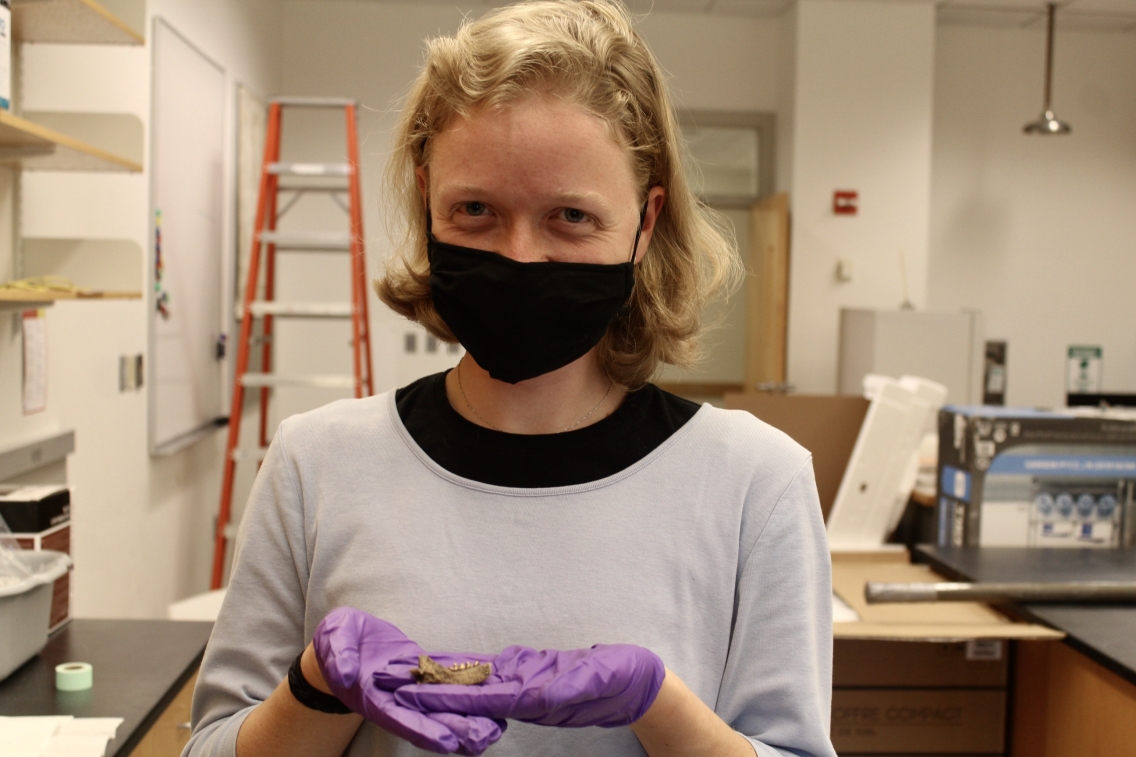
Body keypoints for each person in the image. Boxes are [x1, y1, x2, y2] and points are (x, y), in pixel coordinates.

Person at [184, 2, 836, 756]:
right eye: (476, 209)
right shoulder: (313, 465)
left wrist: (660, 705)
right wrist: (316, 687)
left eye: (570, 216)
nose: (520, 256)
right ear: (428, 199)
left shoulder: (757, 484)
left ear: (645, 220)